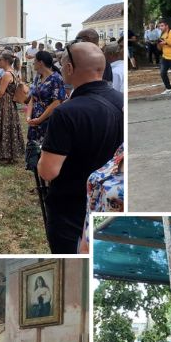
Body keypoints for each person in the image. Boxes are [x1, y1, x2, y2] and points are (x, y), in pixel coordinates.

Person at [38, 42, 123, 254]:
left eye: (62, 63)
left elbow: (48, 171)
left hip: (70, 208)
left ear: (69, 69)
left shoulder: (66, 112)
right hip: (107, 205)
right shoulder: (121, 101)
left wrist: (40, 155)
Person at [0, 52, 24, 165]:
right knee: (8, 126)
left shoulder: (7, 74)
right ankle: (6, 153)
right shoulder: (10, 73)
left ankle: (5, 154)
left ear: (6, 61)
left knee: (3, 126)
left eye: (0, 60)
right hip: (8, 104)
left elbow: (1, 91)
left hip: (4, 104)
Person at [26, 51, 66, 148]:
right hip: (34, 120)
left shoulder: (56, 79)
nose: (33, 62)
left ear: (41, 63)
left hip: (49, 120)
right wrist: (28, 117)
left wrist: (40, 119)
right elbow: (32, 98)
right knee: (34, 149)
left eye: (35, 60)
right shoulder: (38, 77)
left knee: (47, 148)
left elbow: (57, 102)